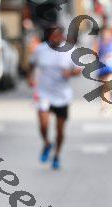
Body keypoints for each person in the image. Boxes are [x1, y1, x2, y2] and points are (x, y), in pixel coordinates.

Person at [28, 26, 80, 170]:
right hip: (44, 93)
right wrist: (30, 77)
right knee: (44, 125)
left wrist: (70, 73)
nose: (57, 38)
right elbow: (32, 64)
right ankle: (47, 143)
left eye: (59, 35)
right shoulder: (40, 50)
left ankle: (56, 155)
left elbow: (78, 69)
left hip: (62, 96)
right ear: (49, 36)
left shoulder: (70, 50)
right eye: (54, 35)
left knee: (60, 130)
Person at [94, 27, 112, 116]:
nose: (106, 36)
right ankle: (104, 107)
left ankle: (105, 106)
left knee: (109, 82)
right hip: (102, 68)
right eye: (104, 34)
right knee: (105, 89)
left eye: (108, 34)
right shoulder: (99, 43)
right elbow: (95, 54)